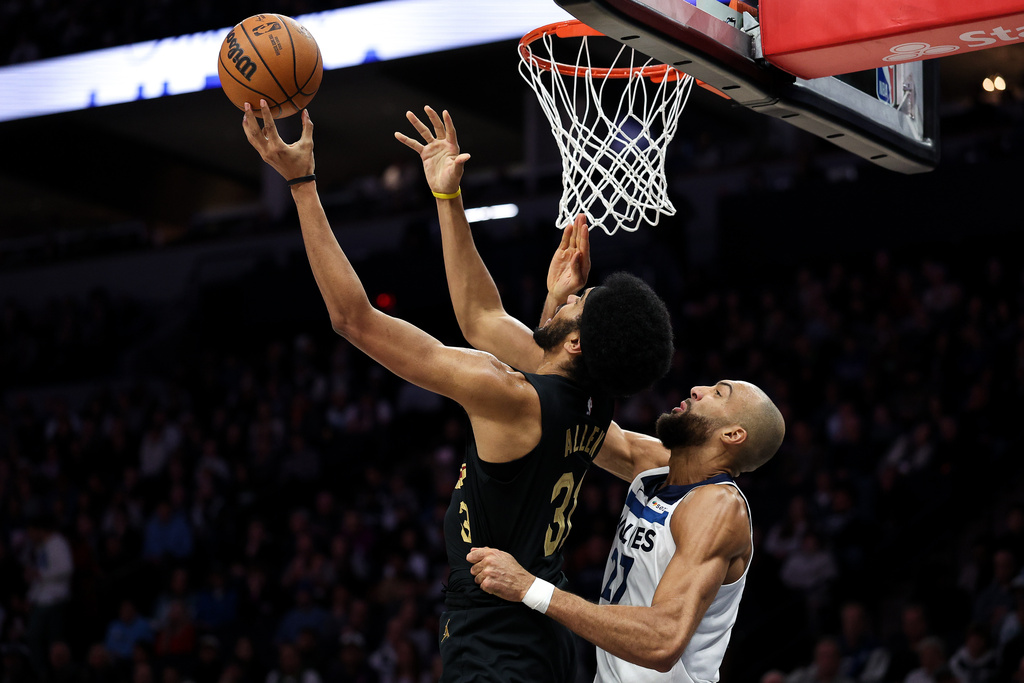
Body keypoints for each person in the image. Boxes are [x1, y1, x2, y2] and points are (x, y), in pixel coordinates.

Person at [243, 100, 674, 682]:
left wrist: (300, 183)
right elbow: (482, 316)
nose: (574, 293)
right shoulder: (598, 403)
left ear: (576, 345)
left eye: (580, 303)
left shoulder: (510, 397)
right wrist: (449, 198)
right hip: (539, 636)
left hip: (495, 641)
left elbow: (354, 319)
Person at [468, 376, 784, 680]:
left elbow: (662, 641)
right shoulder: (662, 469)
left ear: (732, 435)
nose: (697, 389)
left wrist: (529, 588)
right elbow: (580, 420)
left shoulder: (719, 507)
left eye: (718, 393)